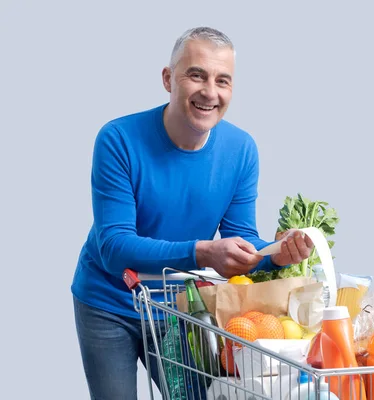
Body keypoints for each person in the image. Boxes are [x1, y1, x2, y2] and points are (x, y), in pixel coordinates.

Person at [71, 26, 314, 399]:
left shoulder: (241, 150)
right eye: (196, 74)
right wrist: (203, 253)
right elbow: (113, 247)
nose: (209, 92)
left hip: (179, 307)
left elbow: (242, 239)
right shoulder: (118, 139)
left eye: (223, 80)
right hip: (109, 302)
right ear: (169, 79)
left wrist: (276, 253)